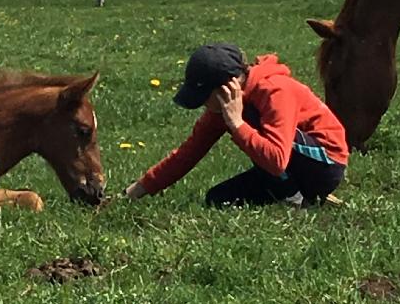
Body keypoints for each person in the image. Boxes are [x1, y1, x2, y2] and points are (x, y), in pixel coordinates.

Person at [124, 43, 348, 207]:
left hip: (326, 164)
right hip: (280, 167)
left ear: (225, 88)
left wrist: (237, 124)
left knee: (256, 124)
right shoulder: (225, 106)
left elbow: (277, 160)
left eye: (203, 97)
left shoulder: (275, 90)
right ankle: (299, 195)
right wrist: (141, 188)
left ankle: (300, 198)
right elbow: (189, 152)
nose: (202, 105)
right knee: (217, 200)